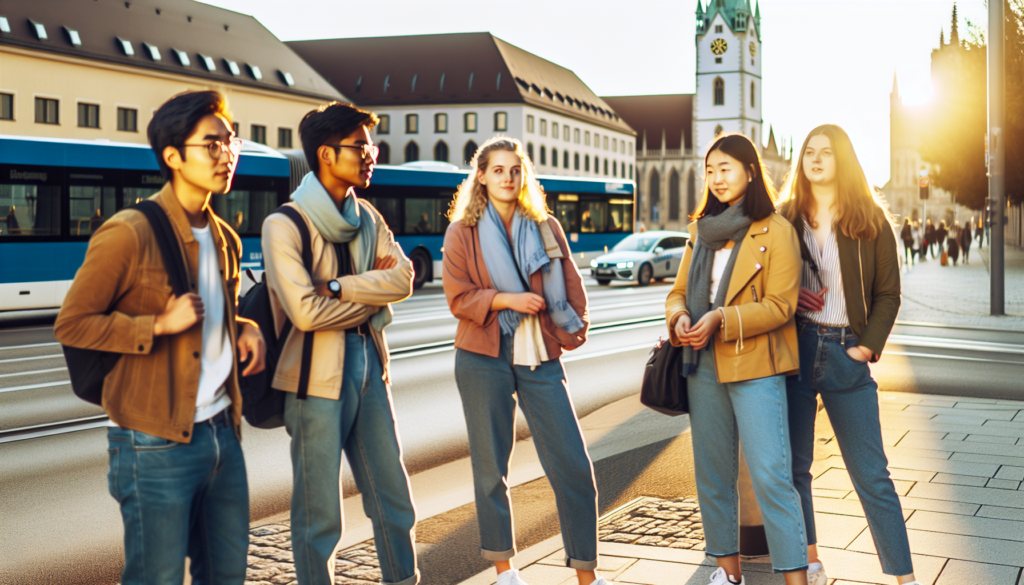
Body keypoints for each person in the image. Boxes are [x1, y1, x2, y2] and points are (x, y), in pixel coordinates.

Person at [54, 90, 267, 585]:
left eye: (230, 142)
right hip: (152, 441)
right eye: (211, 144)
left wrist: (243, 326)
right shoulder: (129, 232)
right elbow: (72, 323)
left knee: (228, 575)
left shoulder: (226, 238)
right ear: (173, 156)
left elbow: (213, 314)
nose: (226, 155)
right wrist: (157, 325)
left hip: (222, 431)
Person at [261, 102, 419, 585]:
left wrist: (336, 287)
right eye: (360, 147)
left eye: (372, 147)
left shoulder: (368, 216)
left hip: (371, 363)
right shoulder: (284, 224)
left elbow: (404, 278)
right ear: (326, 154)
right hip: (314, 378)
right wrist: (370, 298)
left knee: (394, 500)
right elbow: (305, 313)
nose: (371, 155)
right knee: (320, 516)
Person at [443, 137, 609, 585]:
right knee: (490, 470)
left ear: (524, 175)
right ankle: (504, 571)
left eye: (515, 170)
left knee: (574, 466)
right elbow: (458, 297)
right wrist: (506, 299)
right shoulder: (462, 232)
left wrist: (573, 327)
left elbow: (571, 284)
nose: (508, 178)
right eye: (498, 170)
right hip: (482, 355)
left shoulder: (545, 226)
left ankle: (587, 574)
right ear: (481, 176)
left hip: (539, 353)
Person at [779, 124, 919, 585]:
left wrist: (866, 346)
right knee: (796, 468)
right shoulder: (784, 217)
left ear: (843, 160)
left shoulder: (870, 219)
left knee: (872, 474)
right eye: (809, 152)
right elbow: (763, 279)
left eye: (826, 152)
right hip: (795, 349)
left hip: (846, 353)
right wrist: (791, 296)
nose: (816, 159)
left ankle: (904, 577)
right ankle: (811, 562)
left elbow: (889, 293)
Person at [665, 133, 808, 585]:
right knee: (713, 475)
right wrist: (680, 317)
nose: (716, 178)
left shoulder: (776, 230)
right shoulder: (700, 232)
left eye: (725, 168)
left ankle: (795, 578)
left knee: (771, 475)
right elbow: (677, 292)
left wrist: (721, 319)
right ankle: (728, 575)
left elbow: (781, 306)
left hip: (755, 364)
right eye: (709, 170)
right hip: (701, 364)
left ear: (750, 170)